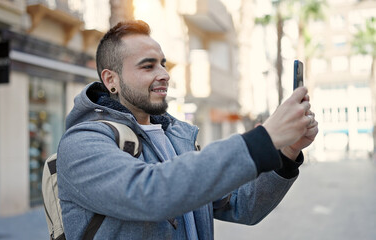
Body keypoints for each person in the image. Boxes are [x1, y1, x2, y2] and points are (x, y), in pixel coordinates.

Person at [57, 20, 318, 240]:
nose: (164, 74)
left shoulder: (177, 137)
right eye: (148, 66)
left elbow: (243, 206)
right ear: (110, 79)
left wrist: (288, 150)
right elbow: (151, 193)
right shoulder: (82, 143)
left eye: (163, 63)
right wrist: (264, 139)